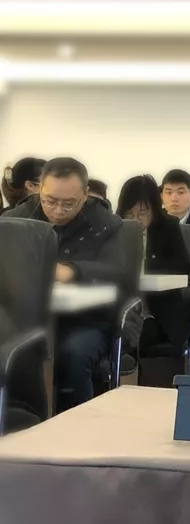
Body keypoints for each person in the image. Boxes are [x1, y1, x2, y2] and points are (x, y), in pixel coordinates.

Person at [5, 157, 124, 412]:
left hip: (86, 320)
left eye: (68, 203)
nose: (58, 210)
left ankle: (76, 428)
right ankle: (20, 420)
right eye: (49, 201)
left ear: (85, 194)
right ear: (39, 189)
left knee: (72, 355)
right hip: (24, 318)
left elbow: (119, 272)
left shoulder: (107, 224)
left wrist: (73, 270)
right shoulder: (16, 219)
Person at [117, 175, 190, 353]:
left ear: (155, 209)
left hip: (157, 312)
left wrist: (147, 265)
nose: (136, 220)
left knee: (134, 336)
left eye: (143, 214)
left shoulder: (168, 227)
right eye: (129, 214)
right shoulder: (116, 228)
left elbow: (183, 265)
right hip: (122, 309)